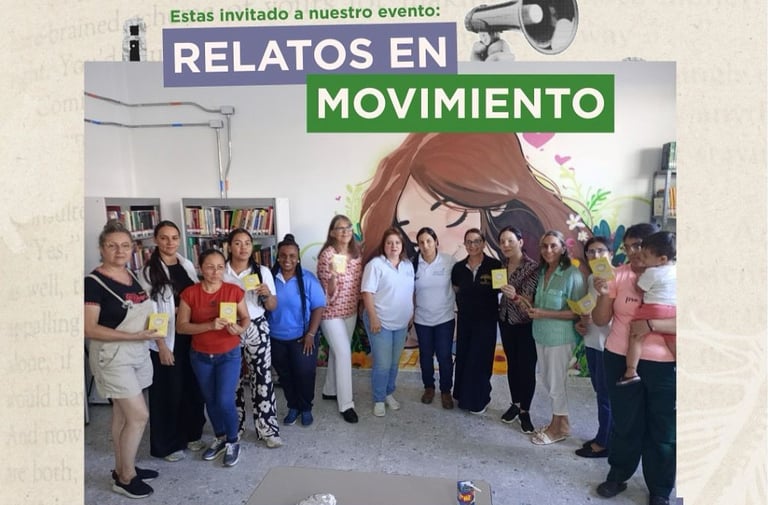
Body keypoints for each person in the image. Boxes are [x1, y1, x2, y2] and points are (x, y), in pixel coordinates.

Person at [359, 133, 588, 264]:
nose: (433, 243)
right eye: (415, 237)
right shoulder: (412, 267)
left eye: (455, 219)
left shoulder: (519, 254)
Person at [591, 224, 676, 505]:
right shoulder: (619, 274)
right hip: (619, 357)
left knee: (663, 428)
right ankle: (618, 475)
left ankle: (660, 488)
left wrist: (651, 324)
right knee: (626, 423)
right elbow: (600, 320)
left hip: (664, 364)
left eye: (638, 245)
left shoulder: (677, 275)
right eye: (627, 247)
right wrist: (603, 293)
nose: (632, 252)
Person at [84, 220, 161, 499]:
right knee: (139, 416)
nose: (120, 251)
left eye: (125, 246)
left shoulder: (132, 275)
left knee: (121, 413)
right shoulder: (93, 283)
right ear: (101, 248)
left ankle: (123, 467)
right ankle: (126, 478)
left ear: (133, 248)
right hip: (113, 357)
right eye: (112, 245)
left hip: (137, 352)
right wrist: (133, 336)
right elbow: (89, 328)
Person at [138, 220, 206, 463]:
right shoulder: (148, 272)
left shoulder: (185, 264)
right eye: (164, 238)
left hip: (190, 337)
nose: (170, 242)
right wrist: (162, 346)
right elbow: (150, 313)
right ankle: (167, 445)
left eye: (174, 238)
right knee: (168, 392)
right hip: (167, 341)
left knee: (192, 389)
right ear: (155, 240)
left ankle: (191, 434)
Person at [177, 249, 250, 468]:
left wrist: (240, 329)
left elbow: (245, 318)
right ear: (200, 268)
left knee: (224, 399)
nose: (215, 272)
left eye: (220, 267)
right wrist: (209, 325)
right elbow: (181, 327)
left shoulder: (233, 291)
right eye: (210, 267)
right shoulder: (190, 293)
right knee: (210, 400)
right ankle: (220, 437)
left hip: (228, 354)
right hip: (200, 356)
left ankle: (233, 441)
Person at [222, 228, 283, 448]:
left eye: (247, 243)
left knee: (262, 378)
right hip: (229, 327)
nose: (243, 247)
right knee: (232, 380)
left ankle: (268, 429)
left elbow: (273, 306)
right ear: (229, 246)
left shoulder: (262, 271)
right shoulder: (222, 271)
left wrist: (266, 294)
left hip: (257, 326)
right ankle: (234, 428)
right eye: (238, 243)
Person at [528, 230, 586, 446]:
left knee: (556, 384)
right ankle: (563, 424)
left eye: (553, 245)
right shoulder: (543, 271)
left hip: (560, 338)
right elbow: (539, 303)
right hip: (541, 334)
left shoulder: (572, 274)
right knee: (547, 380)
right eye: (544, 246)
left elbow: (578, 312)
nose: (548, 250)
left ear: (563, 248)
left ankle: (556, 429)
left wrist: (544, 313)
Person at [269, 234, 326, 427]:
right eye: (283, 255)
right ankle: (293, 406)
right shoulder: (269, 279)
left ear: (298, 258)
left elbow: (318, 307)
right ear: (277, 257)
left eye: (292, 256)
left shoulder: (307, 279)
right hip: (276, 338)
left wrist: (311, 334)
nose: (288, 260)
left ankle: (306, 407)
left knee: (305, 374)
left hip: (303, 338)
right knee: (285, 376)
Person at [361, 228, 415, 417]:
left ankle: (388, 392)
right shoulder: (375, 265)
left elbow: (410, 291)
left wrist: (411, 313)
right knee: (383, 364)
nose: (393, 246)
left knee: (393, 363)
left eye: (397, 243)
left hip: (401, 323)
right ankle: (378, 399)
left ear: (402, 245)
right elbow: (367, 293)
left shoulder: (408, 265)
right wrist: (373, 318)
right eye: (389, 243)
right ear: (383, 245)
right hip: (380, 321)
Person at [316, 215, 363, 423]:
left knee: (337, 353)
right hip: (331, 312)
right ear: (332, 232)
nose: (345, 231)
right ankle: (346, 405)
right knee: (343, 354)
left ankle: (330, 389)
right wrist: (333, 276)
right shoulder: (327, 255)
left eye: (348, 227)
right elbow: (327, 293)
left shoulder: (356, 253)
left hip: (350, 310)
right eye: (340, 228)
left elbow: (358, 284)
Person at [450, 228, 502, 414]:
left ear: (484, 244)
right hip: (465, 321)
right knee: (464, 357)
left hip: (486, 322)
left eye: (477, 241)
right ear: (465, 244)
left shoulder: (495, 265)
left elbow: (500, 292)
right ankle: (462, 397)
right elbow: (456, 291)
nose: (473, 245)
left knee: (480, 360)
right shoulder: (458, 268)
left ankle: (479, 400)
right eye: (469, 242)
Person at [618, 230, 677, 386]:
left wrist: (639, 280)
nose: (641, 257)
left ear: (662, 259)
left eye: (645, 256)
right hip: (673, 310)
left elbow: (640, 289)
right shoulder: (676, 270)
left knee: (635, 335)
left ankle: (631, 371)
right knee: (672, 339)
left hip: (654, 308)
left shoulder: (652, 272)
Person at [496, 226, 539, 433]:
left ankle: (525, 411)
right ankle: (515, 403)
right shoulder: (502, 265)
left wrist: (514, 297)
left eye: (510, 241)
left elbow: (530, 304)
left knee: (527, 368)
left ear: (520, 242)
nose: (506, 245)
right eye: (502, 241)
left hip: (525, 325)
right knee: (512, 365)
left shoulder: (532, 268)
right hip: (505, 322)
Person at [573, 236, 613, 458]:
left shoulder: (618, 278)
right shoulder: (591, 279)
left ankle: (605, 443)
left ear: (610, 254)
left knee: (606, 397)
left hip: (610, 346)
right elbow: (589, 309)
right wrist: (581, 322)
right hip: (592, 342)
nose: (595, 256)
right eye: (591, 252)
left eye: (600, 251)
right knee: (600, 392)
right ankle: (603, 435)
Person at [412, 227, 457, 409]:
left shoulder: (449, 261)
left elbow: (459, 285)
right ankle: (429, 387)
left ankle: (446, 391)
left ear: (436, 242)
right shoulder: (413, 263)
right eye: (421, 242)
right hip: (422, 319)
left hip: (444, 318)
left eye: (429, 241)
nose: (425, 245)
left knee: (445, 356)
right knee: (425, 356)